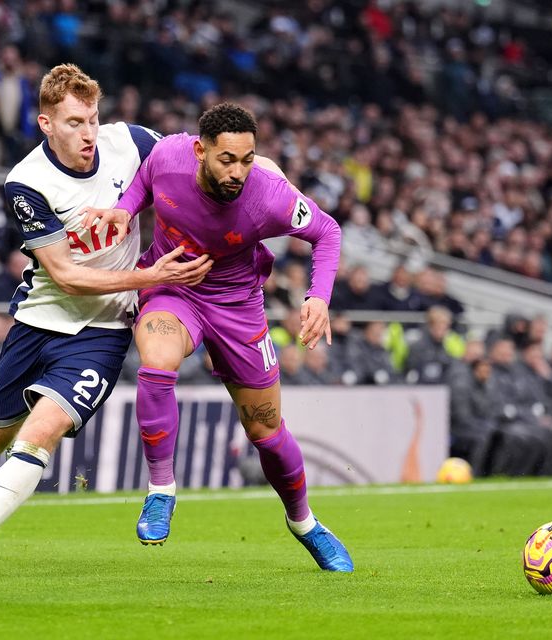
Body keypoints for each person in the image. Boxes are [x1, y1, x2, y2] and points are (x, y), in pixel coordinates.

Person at [0, 64, 212, 581]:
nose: (89, 133)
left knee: (38, 435)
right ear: (46, 123)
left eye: (93, 118)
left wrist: (261, 173)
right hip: (39, 318)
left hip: (101, 333)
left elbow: (201, 154)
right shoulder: (26, 182)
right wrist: (150, 277)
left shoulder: (132, 141)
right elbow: (68, 277)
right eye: (74, 122)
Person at [82, 103, 353, 571]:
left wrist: (319, 296)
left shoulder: (269, 195)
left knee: (266, 432)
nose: (239, 171)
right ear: (200, 150)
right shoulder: (169, 155)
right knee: (157, 363)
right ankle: (161, 491)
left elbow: (327, 232)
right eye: (227, 159)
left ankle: (304, 523)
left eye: (247, 159)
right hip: (173, 288)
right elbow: (146, 177)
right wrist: (125, 212)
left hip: (238, 308)